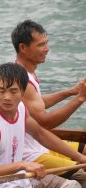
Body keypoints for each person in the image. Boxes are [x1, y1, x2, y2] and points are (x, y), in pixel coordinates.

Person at [0, 62, 85, 188]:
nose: (7, 97)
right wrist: (23, 164)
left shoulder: (21, 108)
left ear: (23, 92)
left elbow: (40, 134)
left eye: (13, 91)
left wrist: (79, 157)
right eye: (1, 90)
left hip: (22, 181)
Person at [12, 20, 86, 178]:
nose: (47, 49)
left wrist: (71, 92)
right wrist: (80, 99)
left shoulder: (25, 71)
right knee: (82, 173)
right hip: (29, 154)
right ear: (23, 48)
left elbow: (38, 102)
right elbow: (45, 122)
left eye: (46, 43)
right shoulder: (20, 79)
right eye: (40, 45)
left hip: (41, 144)